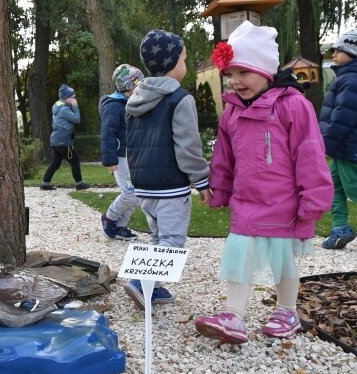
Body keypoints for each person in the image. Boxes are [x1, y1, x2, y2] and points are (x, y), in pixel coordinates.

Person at [195, 21, 333, 344]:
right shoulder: (231, 113)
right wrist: (222, 189)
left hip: (284, 202)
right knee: (238, 252)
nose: (235, 81)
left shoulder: (292, 105)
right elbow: (224, 158)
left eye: (243, 72)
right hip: (246, 201)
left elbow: (310, 152)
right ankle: (234, 313)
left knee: (282, 258)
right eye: (230, 74)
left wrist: (312, 197)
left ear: (265, 69)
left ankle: (287, 310)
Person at [124, 29, 212, 310]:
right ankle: (142, 282)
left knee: (158, 236)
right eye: (184, 59)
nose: (185, 65)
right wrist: (201, 180)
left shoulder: (135, 99)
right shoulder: (179, 99)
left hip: (144, 184)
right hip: (171, 185)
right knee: (173, 239)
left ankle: (154, 286)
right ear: (173, 62)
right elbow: (187, 146)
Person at [319, 29, 357, 249]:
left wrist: (326, 146)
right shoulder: (345, 77)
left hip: (348, 147)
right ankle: (340, 228)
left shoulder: (351, 80)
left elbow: (343, 118)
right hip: (341, 148)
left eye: (339, 49)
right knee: (334, 186)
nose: (333, 53)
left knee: (353, 188)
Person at [99, 64, 144, 241]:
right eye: (138, 84)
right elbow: (107, 133)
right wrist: (109, 159)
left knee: (138, 193)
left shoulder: (132, 103)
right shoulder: (114, 105)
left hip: (133, 155)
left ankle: (120, 226)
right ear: (128, 86)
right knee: (130, 192)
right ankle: (109, 218)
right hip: (120, 156)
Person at [39, 84, 91, 191]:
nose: (74, 99)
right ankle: (79, 184)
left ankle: (45, 183)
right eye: (73, 97)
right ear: (67, 98)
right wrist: (75, 106)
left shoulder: (58, 106)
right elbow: (77, 119)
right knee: (75, 160)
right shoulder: (64, 110)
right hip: (64, 142)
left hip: (56, 141)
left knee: (56, 162)